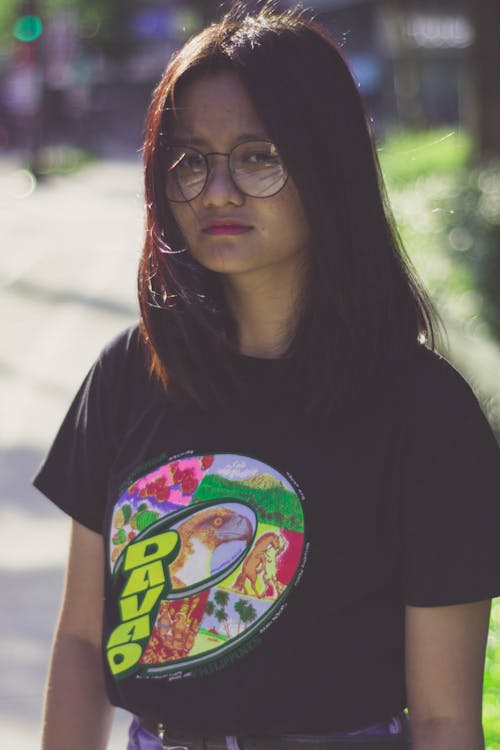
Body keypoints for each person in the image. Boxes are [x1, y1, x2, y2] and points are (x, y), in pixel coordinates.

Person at [33, 3, 500, 750]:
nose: (218, 191)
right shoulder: (130, 371)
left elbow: (445, 717)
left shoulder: (425, 411)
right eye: (191, 160)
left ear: (327, 164)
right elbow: (85, 641)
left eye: (258, 156)